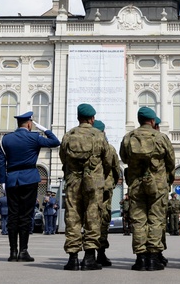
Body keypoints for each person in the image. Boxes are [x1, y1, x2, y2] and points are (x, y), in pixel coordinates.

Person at [0, 110, 60, 262]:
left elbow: (0, 162)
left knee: (13, 215)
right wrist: (44, 129)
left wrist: (3, 181)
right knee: (25, 215)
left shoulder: (6, 139)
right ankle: (23, 251)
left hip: (12, 180)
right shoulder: (34, 137)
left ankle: (13, 252)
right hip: (29, 179)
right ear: (30, 124)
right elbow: (55, 142)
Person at [59, 103, 114, 270]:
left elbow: (63, 158)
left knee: (73, 217)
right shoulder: (99, 136)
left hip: (73, 182)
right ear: (92, 119)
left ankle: (72, 259)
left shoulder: (68, 136)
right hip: (94, 183)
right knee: (93, 218)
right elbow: (108, 161)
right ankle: (89, 258)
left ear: (78, 117)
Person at [120, 106, 175, 271]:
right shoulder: (161, 138)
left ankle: (141, 258)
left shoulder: (128, 138)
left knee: (138, 221)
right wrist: (167, 180)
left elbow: (123, 157)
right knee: (156, 220)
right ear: (152, 121)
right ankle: (153, 258)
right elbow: (171, 162)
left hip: (136, 185)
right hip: (158, 186)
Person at [94, 120, 121, 267]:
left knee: (87, 220)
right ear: (103, 132)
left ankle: (86, 253)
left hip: (85, 189)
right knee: (103, 221)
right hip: (104, 189)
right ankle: (101, 254)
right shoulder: (109, 148)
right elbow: (116, 169)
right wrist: (110, 183)